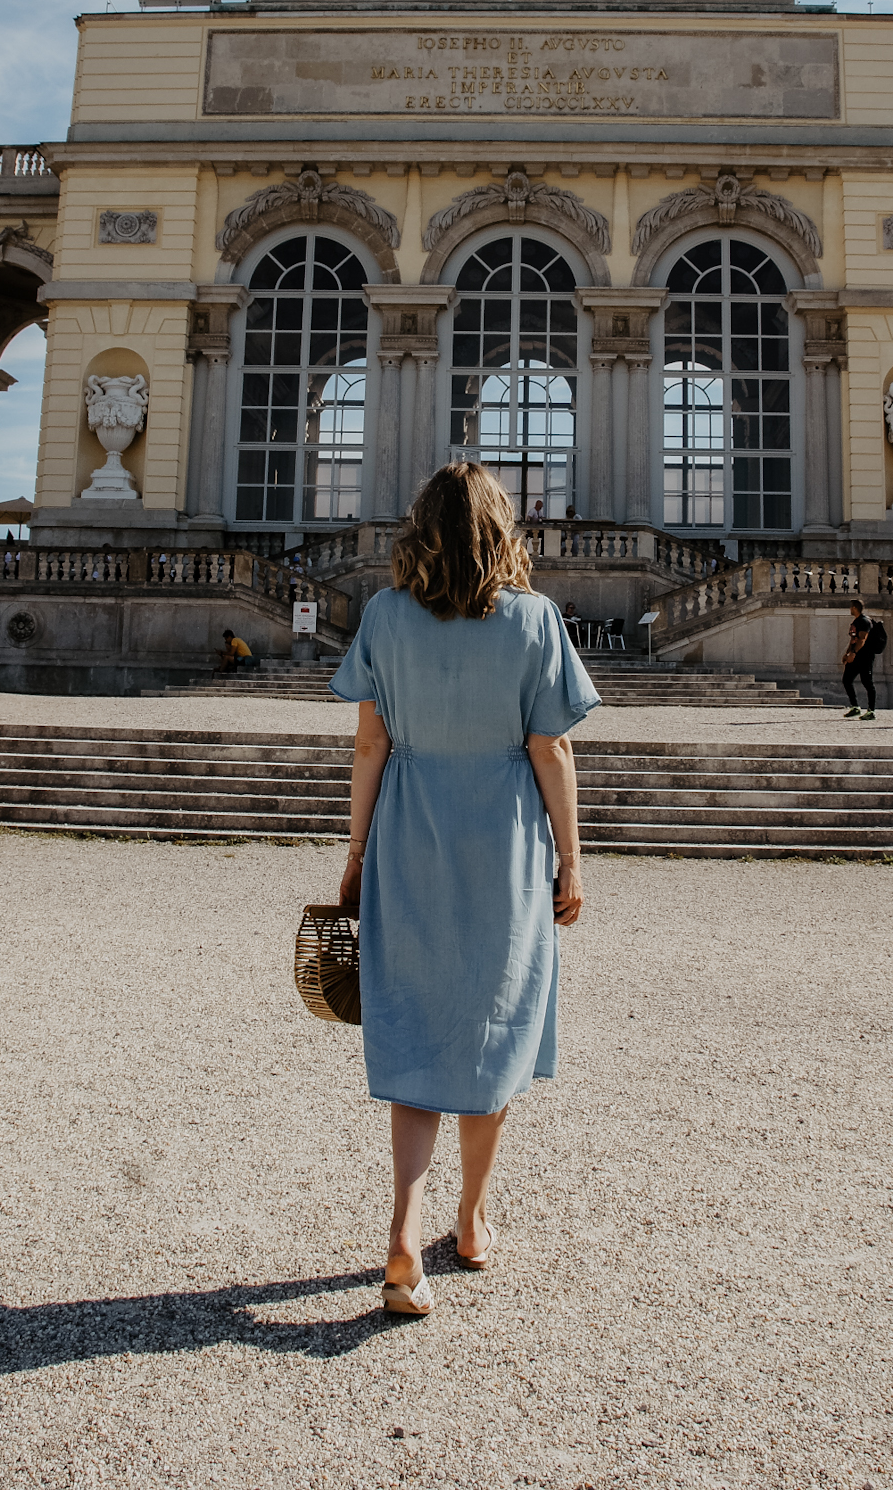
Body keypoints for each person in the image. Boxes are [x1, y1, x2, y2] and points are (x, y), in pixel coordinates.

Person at [329, 463, 600, 1318]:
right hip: (504, 846)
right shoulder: (534, 620)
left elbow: (368, 746)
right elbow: (551, 751)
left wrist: (355, 853)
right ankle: (473, 1224)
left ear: (421, 528)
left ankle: (403, 1237)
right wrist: (571, 858)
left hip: (409, 836)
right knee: (492, 1031)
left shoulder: (383, 615)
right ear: (501, 528)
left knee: (412, 1027)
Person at [841, 600, 877, 720]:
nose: (850, 609)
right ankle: (855, 706)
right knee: (847, 679)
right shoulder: (856, 621)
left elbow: (862, 639)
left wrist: (854, 653)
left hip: (864, 656)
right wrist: (847, 653)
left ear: (855, 608)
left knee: (867, 682)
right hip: (855, 655)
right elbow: (853, 639)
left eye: (851, 607)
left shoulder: (864, 621)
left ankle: (871, 711)